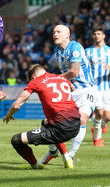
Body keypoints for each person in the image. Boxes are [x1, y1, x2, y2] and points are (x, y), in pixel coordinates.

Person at [3, 64, 80, 169]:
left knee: (16, 140)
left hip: (60, 129)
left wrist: (9, 114)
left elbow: (17, 104)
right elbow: (72, 88)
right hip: (76, 124)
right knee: (45, 122)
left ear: (33, 77)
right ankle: (66, 158)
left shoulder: (36, 81)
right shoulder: (61, 78)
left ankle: (35, 166)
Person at [39, 25, 95, 168]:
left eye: (58, 32)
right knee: (49, 122)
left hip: (86, 89)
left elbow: (74, 72)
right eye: (54, 32)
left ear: (67, 35)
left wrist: (54, 79)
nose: (55, 34)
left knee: (82, 118)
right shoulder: (57, 52)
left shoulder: (75, 47)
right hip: (71, 91)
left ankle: (70, 156)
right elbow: (67, 77)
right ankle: (53, 152)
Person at [85, 27, 110, 146]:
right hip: (94, 88)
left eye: (99, 34)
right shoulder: (87, 52)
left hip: (107, 88)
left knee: (109, 117)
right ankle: (97, 139)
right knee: (99, 113)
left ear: (103, 36)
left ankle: (97, 127)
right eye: (95, 34)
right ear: (93, 36)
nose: (97, 36)